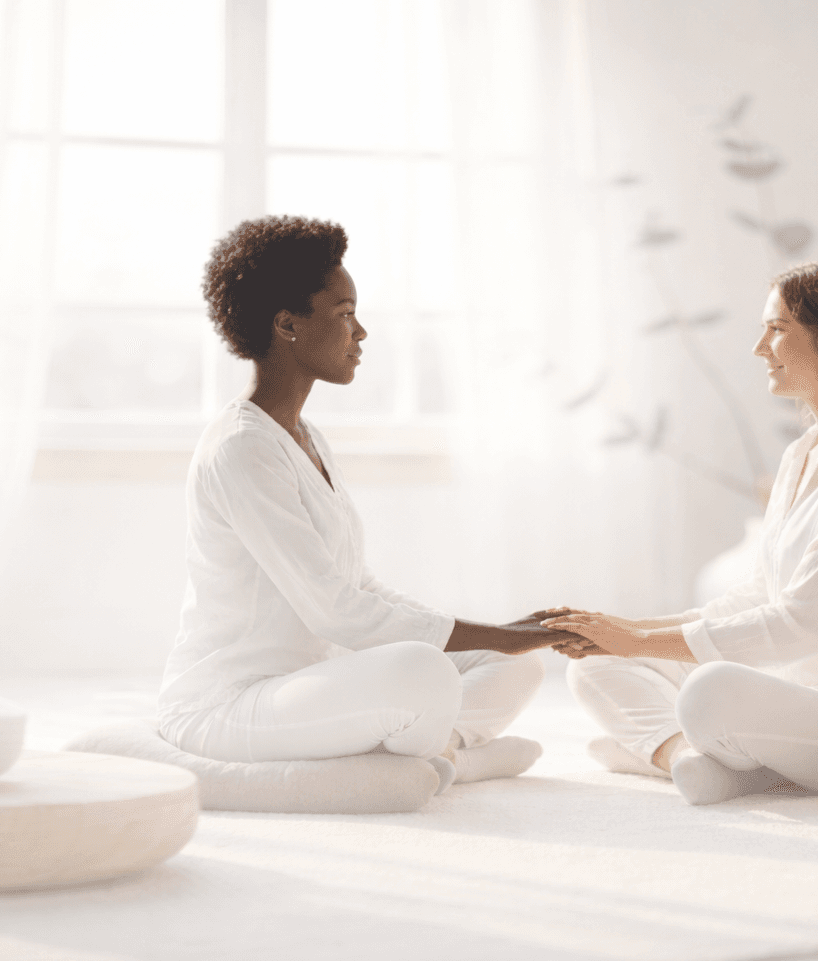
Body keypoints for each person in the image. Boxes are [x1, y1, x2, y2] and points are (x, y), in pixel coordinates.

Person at [159, 215, 561, 791]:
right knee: (421, 673)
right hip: (228, 704)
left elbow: (359, 587)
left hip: (311, 685)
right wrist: (497, 634)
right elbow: (338, 613)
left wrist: (502, 638)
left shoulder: (303, 436)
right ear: (287, 325)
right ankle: (447, 754)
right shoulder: (243, 448)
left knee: (517, 665)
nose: (362, 332)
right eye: (344, 315)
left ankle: (443, 751)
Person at [545, 259, 818, 806]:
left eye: (777, 328)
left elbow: (802, 624)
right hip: (800, 700)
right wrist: (621, 633)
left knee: (710, 693)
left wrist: (639, 639)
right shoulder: (803, 453)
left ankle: (682, 752)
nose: (760, 347)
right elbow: (760, 594)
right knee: (597, 664)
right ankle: (687, 759)